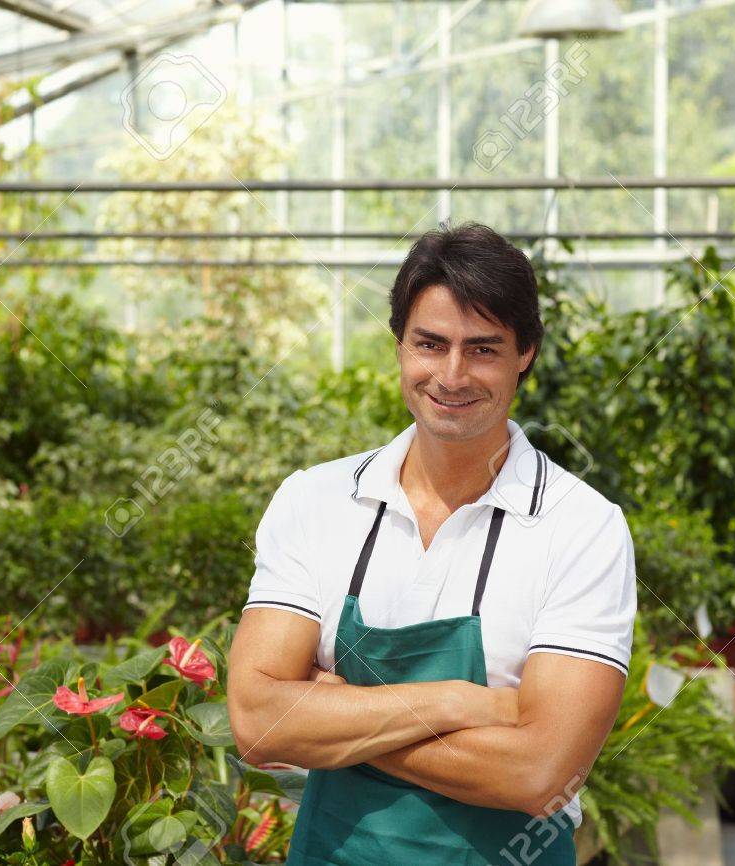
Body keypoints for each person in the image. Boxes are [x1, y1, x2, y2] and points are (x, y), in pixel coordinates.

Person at [227, 221, 636, 865]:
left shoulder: (581, 528)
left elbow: (540, 774)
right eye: (430, 344)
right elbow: (256, 722)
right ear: (398, 346)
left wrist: (334, 712)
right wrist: (461, 704)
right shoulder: (316, 501)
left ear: (525, 353)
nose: (451, 375)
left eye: (482, 349)